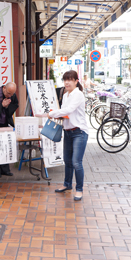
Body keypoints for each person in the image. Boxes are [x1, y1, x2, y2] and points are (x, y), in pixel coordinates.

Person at [48, 70, 89, 201]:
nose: (66, 82)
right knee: (67, 161)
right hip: (68, 131)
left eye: (70, 79)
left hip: (79, 132)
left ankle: (79, 189)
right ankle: (67, 185)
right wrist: (56, 114)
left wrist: (53, 113)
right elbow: (65, 113)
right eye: (65, 80)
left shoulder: (78, 94)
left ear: (76, 81)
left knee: (77, 162)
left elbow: (69, 110)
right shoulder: (65, 95)